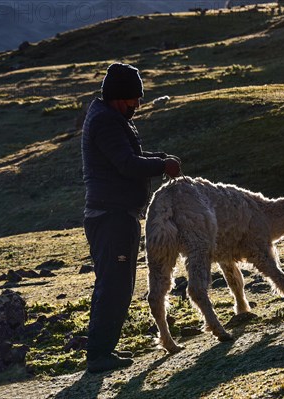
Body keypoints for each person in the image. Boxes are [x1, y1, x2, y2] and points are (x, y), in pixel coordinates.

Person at [81, 63, 181, 372]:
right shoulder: (107, 122)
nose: (136, 105)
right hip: (111, 217)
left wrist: (157, 160)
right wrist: (161, 165)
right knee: (115, 285)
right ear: (117, 96)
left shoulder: (108, 116)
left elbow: (127, 157)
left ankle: (101, 350)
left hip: (112, 214)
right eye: (132, 98)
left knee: (114, 283)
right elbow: (125, 164)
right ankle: (99, 355)